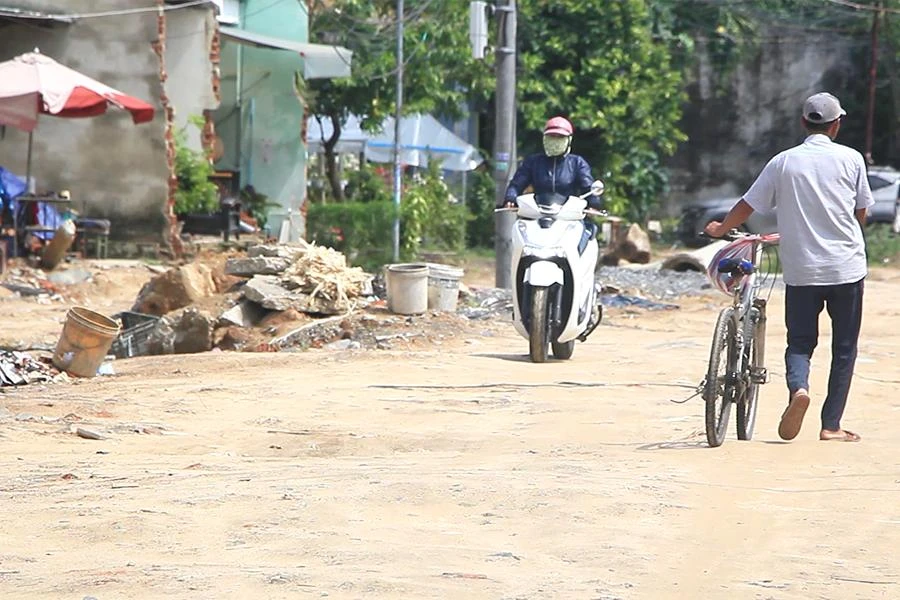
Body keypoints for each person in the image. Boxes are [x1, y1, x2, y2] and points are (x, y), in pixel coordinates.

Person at [704, 91, 873, 443]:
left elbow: (748, 205)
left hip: (801, 270)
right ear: (836, 124)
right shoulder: (852, 159)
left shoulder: (784, 162)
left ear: (803, 123)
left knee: (799, 344)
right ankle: (831, 426)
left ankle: (799, 389)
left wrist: (721, 229)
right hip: (846, 269)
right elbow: (860, 215)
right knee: (844, 347)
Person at [501, 116, 601, 211]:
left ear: (569, 140)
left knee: (586, 229)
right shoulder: (533, 162)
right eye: (551, 136)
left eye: (560, 137)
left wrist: (593, 203)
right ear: (544, 138)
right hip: (537, 213)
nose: (555, 140)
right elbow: (517, 184)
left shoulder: (577, 163)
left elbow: (588, 186)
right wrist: (511, 197)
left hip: (569, 216)